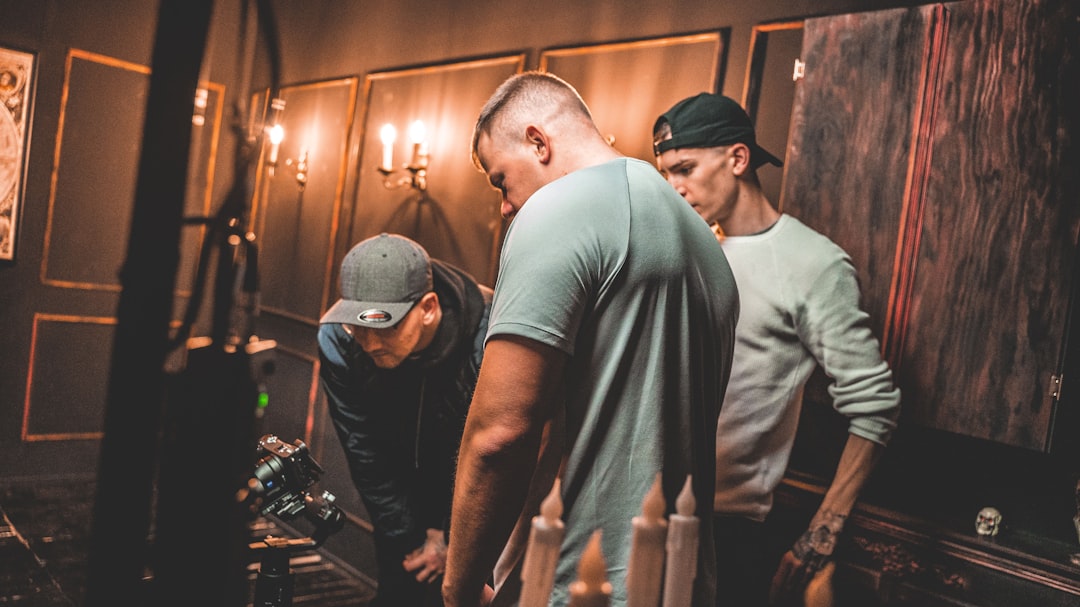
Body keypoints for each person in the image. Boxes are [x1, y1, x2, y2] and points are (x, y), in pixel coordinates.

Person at [441, 72, 740, 607]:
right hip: (682, 578)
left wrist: (458, 587)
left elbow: (500, 434)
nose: (505, 206)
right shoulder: (705, 242)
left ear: (538, 141)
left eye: (500, 180)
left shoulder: (557, 211)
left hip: (579, 579)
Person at [652, 92, 902, 606]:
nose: (674, 188)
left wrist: (822, 533)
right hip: (651, 511)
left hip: (727, 529)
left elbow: (875, 406)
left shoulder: (811, 262)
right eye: (665, 174)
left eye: (685, 169)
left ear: (738, 158)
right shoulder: (695, 251)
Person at [317, 232, 492, 607]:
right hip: (397, 505)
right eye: (357, 326)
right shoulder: (338, 339)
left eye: (385, 326)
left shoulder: (490, 337)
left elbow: (492, 455)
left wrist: (453, 538)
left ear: (427, 308)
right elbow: (364, 451)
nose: (369, 343)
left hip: (473, 508)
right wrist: (411, 539)